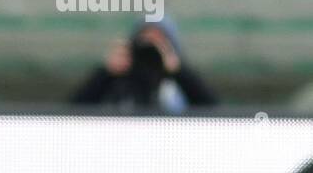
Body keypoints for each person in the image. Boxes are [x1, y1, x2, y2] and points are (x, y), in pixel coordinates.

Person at [70, 17, 218, 112]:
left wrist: (179, 72)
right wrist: (106, 73)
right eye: (145, 41)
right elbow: (72, 112)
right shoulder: (118, 81)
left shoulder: (178, 84)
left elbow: (215, 112)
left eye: (159, 43)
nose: (151, 48)